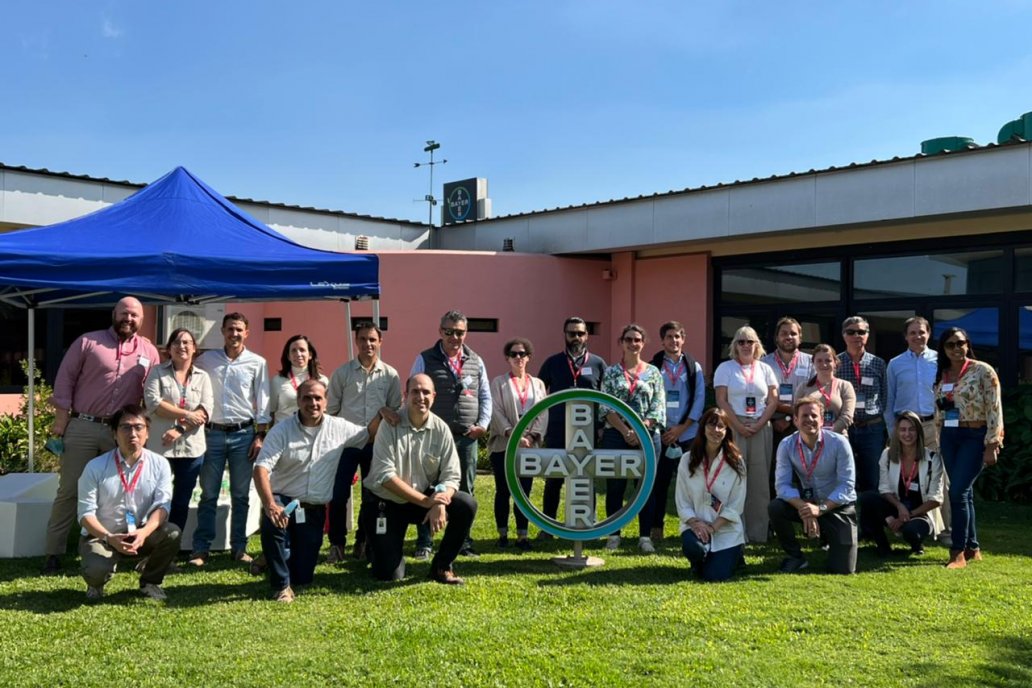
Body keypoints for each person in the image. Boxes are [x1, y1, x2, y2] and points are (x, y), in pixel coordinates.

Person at [43, 296, 160, 574]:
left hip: (122, 432)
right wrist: (61, 422)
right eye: (124, 313)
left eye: (134, 315)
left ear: (141, 320)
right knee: (69, 490)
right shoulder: (88, 342)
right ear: (114, 314)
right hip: (83, 425)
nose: (128, 319)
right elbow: (65, 380)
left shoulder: (149, 352)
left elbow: (152, 393)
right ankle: (53, 551)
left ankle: (123, 546)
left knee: (124, 491)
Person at [253, 379, 379, 602]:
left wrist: (383, 414)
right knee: (274, 521)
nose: (313, 402)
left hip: (313, 510)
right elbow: (261, 468)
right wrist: (270, 504)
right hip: (284, 501)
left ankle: (275, 557)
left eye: (318, 398)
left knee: (303, 577)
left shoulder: (339, 427)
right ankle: (281, 585)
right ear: (298, 401)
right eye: (307, 398)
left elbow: (368, 434)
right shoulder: (281, 431)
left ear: (326, 401)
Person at [365, 374, 478, 585]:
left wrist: (441, 499)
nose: (421, 397)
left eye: (426, 392)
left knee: (466, 504)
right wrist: (429, 502)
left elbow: (451, 475)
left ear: (433, 396)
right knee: (388, 574)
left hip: (422, 500)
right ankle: (376, 546)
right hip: (388, 503)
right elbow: (385, 476)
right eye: (415, 391)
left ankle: (442, 566)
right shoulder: (389, 425)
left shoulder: (441, 429)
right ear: (406, 395)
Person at [188, 313, 271, 567]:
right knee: (208, 494)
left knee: (241, 495)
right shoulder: (206, 360)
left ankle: (239, 547)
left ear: (247, 332)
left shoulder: (257, 362)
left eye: (239, 330)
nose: (234, 334)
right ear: (222, 331)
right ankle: (201, 549)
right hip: (211, 433)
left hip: (243, 435)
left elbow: (264, 400)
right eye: (230, 329)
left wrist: (260, 435)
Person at [76, 405, 181, 601]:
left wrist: (144, 532)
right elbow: (85, 514)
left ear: (147, 433)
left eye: (138, 427)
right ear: (114, 434)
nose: (133, 433)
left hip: (140, 533)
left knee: (172, 532)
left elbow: (162, 506)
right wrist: (109, 537)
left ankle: (150, 581)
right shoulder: (95, 467)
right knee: (96, 570)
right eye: (125, 427)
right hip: (102, 535)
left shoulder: (160, 465)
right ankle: (98, 580)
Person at [410, 310, 491, 559]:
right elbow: (414, 390)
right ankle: (425, 542)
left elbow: (485, 396)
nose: (454, 337)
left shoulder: (476, 361)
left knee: (466, 490)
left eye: (460, 332)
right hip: (433, 435)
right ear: (440, 331)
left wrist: (483, 425)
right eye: (449, 331)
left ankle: (462, 541)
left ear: (465, 333)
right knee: (428, 487)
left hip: (466, 436)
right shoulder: (425, 358)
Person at [326, 322, 402, 562]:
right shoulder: (342, 373)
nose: (368, 344)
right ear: (355, 341)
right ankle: (337, 544)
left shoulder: (390, 375)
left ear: (380, 342)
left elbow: (393, 413)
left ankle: (363, 540)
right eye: (363, 339)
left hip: (376, 446)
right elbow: (332, 411)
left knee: (372, 496)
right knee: (338, 496)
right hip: (347, 445)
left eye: (372, 339)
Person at [934, 327, 1003, 569]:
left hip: (975, 435)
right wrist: (939, 435)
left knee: (957, 493)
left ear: (967, 344)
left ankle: (957, 552)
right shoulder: (942, 374)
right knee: (964, 493)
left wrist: (993, 442)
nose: (956, 348)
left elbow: (995, 408)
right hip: (950, 435)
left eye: (960, 343)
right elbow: (941, 408)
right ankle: (973, 547)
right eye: (950, 344)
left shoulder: (983, 370)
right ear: (943, 349)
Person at [769, 396, 858, 574]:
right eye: (804, 416)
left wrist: (821, 509)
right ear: (795, 420)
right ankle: (796, 557)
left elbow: (847, 486)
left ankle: (831, 538)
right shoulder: (786, 445)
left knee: (844, 569)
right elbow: (782, 486)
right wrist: (805, 508)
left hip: (837, 506)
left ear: (822, 420)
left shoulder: (840, 443)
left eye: (814, 416)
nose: (810, 420)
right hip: (807, 503)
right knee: (776, 507)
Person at [599, 324, 665, 554]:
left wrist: (639, 430)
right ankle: (613, 534)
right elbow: (605, 406)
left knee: (645, 487)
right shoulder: (611, 373)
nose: (633, 343)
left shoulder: (654, 373)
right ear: (621, 342)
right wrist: (625, 431)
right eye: (628, 339)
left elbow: (658, 407)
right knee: (615, 486)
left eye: (637, 339)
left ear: (643, 343)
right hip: (616, 435)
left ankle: (645, 536)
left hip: (647, 436)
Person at [536, 317, 607, 531]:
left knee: (586, 478)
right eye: (572, 333)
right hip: (557, 429)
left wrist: (602, 427)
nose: (576, 337)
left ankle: (588, 524)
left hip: (588, 432)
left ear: (586, 335)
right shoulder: (552, 362)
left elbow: (606, 399)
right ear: (565, 335)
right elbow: (540, 394)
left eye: (580, 333)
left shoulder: (598, 364)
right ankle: (548, 527)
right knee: (554, 479)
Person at [143, 328, 213, 531]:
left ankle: (171, 546)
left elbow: (205, 411)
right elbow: (153, 403)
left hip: (192, 449)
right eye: (176, 342)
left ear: (194, 349)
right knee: (156, 498)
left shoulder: (203, 377)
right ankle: (149, 542)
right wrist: (188, 414)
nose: (181, 346)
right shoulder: (157, 372)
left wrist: (180, 428)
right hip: (160, 447)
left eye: (187, 343)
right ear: (169, 348)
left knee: (181, 500)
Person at [714, 325, 779, 543]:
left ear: (756, 345)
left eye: (749, 341)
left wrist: (760, 423)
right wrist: (738, 425)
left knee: (759, 483)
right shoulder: (725, 368)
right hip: (734, 426)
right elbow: (721, 400)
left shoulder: (766, 369)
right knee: (734, 479)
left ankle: (758, 533)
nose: (745, 345)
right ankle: (734, 531)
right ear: (734, 345)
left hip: (761, 427)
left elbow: (773, 400)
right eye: (741, 341)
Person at [886, 316, 948, 537]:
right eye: (912, 332)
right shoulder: (895, 364)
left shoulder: (941, 360)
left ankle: (945, 530)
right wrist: (891, 429)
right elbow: (889, 400)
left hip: (933, 426)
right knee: (906, 478)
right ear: (905, 336)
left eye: (921, 332)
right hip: (905, 429)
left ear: (929, 334)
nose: (917, 336)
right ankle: (906, 524)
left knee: (940, 478)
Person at [648, 320, 705, 542]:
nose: (674, 340)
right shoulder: (654, 366)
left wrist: (682, 428)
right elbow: (651, 398)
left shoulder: (694, 367)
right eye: (669, 337)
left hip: (688, 434)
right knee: (659, 482)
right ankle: (656, 527)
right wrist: (664, 429)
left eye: (678, 336)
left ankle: (696, 527)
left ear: (683, 339)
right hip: (662, 433)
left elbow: (699, 398)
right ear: (662, 341)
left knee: (692, 482)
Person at [488, 337, 547, 550]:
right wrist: (514, 435)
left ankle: (523, 535)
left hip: (528, 447)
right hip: (504, 445)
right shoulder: (498, 383)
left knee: (524, 492)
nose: (518, 358)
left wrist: (531, 437)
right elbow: (495, 412)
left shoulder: (538, 384)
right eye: (514, 354)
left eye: (522, 354)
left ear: (528, 357)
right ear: (507, 358)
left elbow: (543, 411)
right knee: (503, 491)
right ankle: (502, 534)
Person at [859, 411, 944, 557]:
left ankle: (916, 545)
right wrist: (899, 508)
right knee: (867, 498)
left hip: (920, 513)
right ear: (897, 432)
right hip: (896, 507)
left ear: (919, 432)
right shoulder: (887, 455)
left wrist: (908, 515)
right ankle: (883, 547)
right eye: (903, 430)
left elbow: (936, 499)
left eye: (912, 429)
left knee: (912, 531)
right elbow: (884, 489)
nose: (907, 434)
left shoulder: (932, 459)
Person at [676, 408, 746, 582]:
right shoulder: (687, 460)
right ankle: (699, 558)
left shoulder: (736, 462)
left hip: (724, 529)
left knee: (714, 577)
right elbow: (682, 500)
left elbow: (736, 505)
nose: (716, 430)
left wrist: (713, 527)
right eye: (711, 425)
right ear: (702, 428)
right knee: (694, 549)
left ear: (727, 431)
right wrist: (696, 523)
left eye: (721, 427)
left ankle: (736, 557)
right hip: (696, 526)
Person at [837, 316, 888, 496]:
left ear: (867, 335)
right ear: (844, 335)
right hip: (845, 428)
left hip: (872, 428)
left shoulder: (878, 363)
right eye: (851, 332)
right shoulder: (835, 362)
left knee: (873, 477)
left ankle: (871, 518)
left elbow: (884, 396)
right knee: (845, 474)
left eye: (861, 332)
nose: (856, 335)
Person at [762, 317, 815, 490]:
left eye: (793, 333)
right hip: (771, 423)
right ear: (776, 337)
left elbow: (813, 395)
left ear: (800, 337)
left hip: (801, 424)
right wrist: (781, 415)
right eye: (784, 333)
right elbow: (761, 396)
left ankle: (803, 507)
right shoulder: (763, 363)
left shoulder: (811, 362)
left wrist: (789, 416)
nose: (789, 337)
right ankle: (774, 507)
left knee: (803, 468)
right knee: (773, 468)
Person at [268, 335, 329, 424]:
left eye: (302, 350)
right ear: (288, 356)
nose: (298, 354)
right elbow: (271, 413)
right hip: (285, 434)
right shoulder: (277, 381)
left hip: (313, 434)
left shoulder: (322, 381)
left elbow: (325, 411)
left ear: (310, 355)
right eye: (293, 350)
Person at [795, 344, 855, 434]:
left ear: (835, 362)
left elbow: (847, 416)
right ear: (813, 362)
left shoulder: (845, 386)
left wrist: (826, 435)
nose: (824, 364)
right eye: (819, 361)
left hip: (837, 438)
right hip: (809, 438)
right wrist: (813, 434)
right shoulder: (803, 387)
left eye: (828, 360)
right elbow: (796, 415)